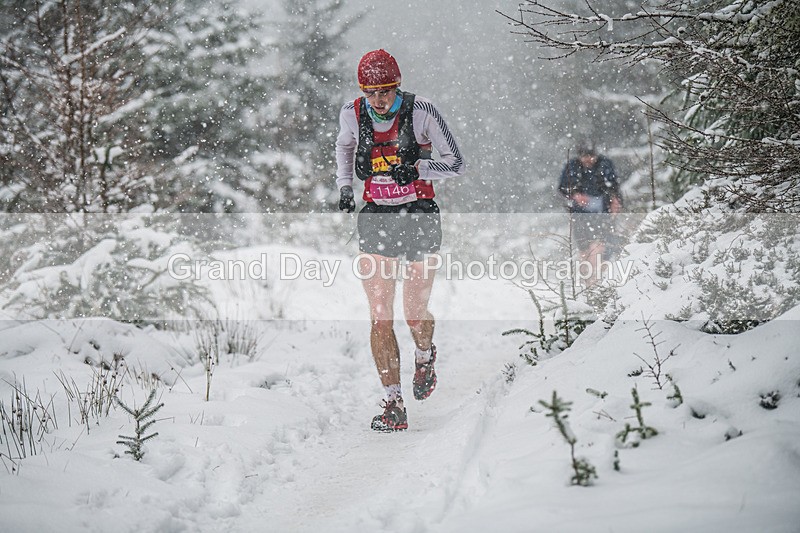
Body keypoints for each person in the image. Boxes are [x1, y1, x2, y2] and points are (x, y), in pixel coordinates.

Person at [335, 49, 465, 431]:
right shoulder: (351, 113)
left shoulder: (421, 111)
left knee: (413, 312)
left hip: (419, 214)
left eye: (385, 91)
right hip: (377, 216)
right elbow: (344, 146)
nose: (378, 100)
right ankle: (393, 404)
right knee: (380, 315)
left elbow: (456, 163)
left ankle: (424, 355)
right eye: (370, 92)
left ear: (397, 85)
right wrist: (345, 186)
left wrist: (419, 168)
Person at [558, 140, 623, 286]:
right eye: (585, 156)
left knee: (602, 247)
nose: (588, 159)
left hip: (603, 212)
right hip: (580, 214)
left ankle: (601, 281)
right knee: (584, 249)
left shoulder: (605, 164)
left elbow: (614, 186)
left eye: (591, 156)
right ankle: (588, 283)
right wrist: (575, 195)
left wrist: (615, 200)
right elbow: (562, 188)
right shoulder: (572, 166)